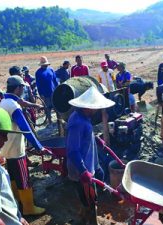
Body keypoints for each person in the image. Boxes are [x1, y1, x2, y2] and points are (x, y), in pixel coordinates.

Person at [0, 75, 48, 216]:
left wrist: (34, 105)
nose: (23, 91)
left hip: (6, 148)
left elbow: (21, 101)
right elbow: (26, 128)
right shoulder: (14, 106)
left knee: (13, 177)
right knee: (24, 178)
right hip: (16, 150)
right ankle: (28, 208)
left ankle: (17, 202)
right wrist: (39, 147)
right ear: (18, 88)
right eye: (22, 88)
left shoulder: (4, 101)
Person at [66, 86, 115, 225]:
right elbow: (73, 150)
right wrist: (83, 171)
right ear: (88, 107)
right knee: (91, 199)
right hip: (82, 169)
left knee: (86, 197)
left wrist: (96, 139)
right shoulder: (77, 122)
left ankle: (82, 216)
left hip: (89, 162)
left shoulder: (83, 117)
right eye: (95, 107)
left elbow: (84, 137)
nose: (97, 110)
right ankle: (92, 222)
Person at [35, 56, 58, 125]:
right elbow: (38, 85)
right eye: (43, 65)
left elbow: (55, 80)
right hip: (45, 94)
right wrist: (41, 95)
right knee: (48, 108)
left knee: (56, 107)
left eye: (46, 64)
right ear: (41, 65)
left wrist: (57, 90)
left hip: (53, 92)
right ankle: (50, 122)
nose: (45, 65)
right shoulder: (38, 73)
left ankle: (58, 121)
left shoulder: (51, 70)